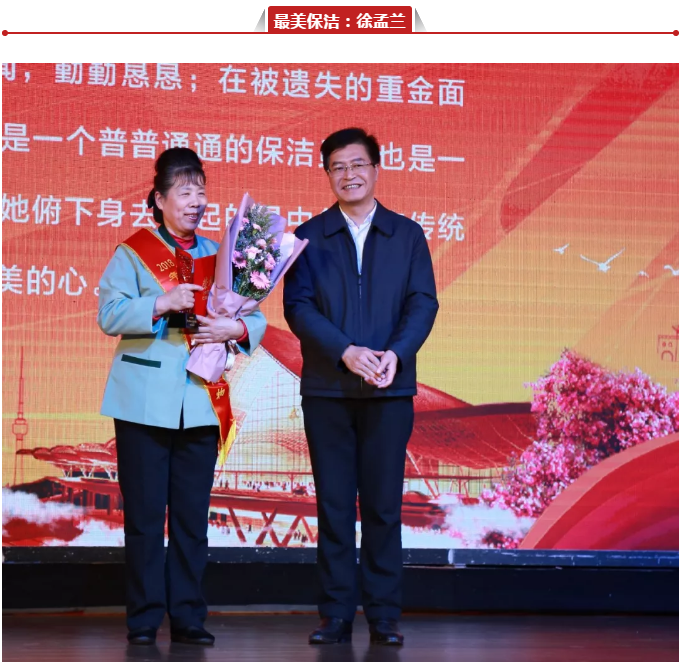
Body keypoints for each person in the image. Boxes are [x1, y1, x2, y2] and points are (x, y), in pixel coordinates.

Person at [97, 148, 266, 646]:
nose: (196, 202)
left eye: (201, 192)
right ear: (159, 199)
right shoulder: (133, 252)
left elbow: (254, 317)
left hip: (200, 401)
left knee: (192, 519)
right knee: (146, 520)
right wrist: (160, 302)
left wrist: (236, 327)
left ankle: (189, 616)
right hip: (142, 403)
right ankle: (144, 620)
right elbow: (109, 314)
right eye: (185, 192)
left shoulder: (223, 253)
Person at [283, 128, 439, 646]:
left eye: (357, 164)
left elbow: (423, 303)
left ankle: (384, 614)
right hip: (327, 389)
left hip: (389, 391)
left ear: (376, 168)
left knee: (383, 506)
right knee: (332, 505)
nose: (348, 175)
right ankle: (334, 614)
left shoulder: (407, 235)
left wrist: (395, 354)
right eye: (338, 167)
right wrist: (345, 351)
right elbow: (297, 307)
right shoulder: (307, 237)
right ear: (327, 174)